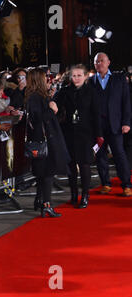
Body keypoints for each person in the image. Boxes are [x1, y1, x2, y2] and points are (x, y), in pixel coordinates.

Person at [54, 64, 103, 208]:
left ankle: (85, 195)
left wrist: (99, 135)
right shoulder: (64, 91)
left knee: (84, 164)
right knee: (71, 165)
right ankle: (74, 194)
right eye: (73, 76)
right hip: (68, 132)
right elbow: (55, 104)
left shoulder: (92, 92)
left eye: (79, 75)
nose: (76, 78)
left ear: (86, 76)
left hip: (86, 133)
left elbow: (96, 115)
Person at [25, 68, 69, 218]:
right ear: (39, 80)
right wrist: (52, 109)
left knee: (44, 173)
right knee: (47, 173)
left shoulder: (37, 96)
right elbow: (38, 119)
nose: (47, 80)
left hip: (46, 138)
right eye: (45, 78)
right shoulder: (35, 98)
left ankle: (40, 201)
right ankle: (46, 205)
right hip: (44, 140)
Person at [89, 52, 132, 197]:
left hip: (116, 124)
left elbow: (126, 103)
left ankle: (126, 184)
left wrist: (126, 122)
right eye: (96, 62)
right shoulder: (91, 81)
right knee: (100, 156)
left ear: (108, 62)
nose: (99, 64)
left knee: (119, 155)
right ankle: (105, 183)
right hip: (98, 126)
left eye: (101, 61)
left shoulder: (119, 79)